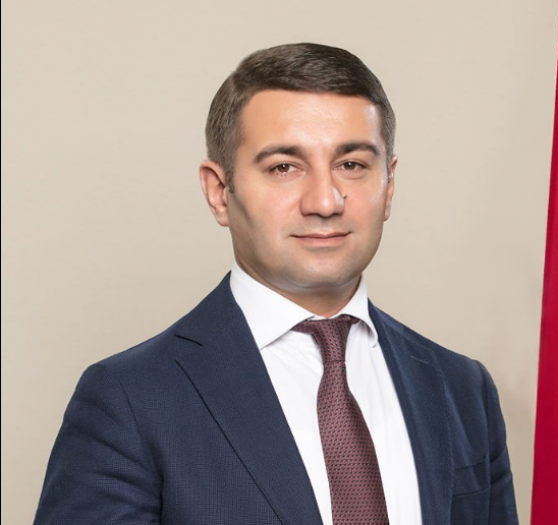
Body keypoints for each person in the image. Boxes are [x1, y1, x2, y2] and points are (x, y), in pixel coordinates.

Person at [33, 43, 519, 525]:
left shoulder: (462, 389)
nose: (325, 202)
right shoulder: (130, 400)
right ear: (219, 192)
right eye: (284, 167)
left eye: (351, 164)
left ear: (388, 186)